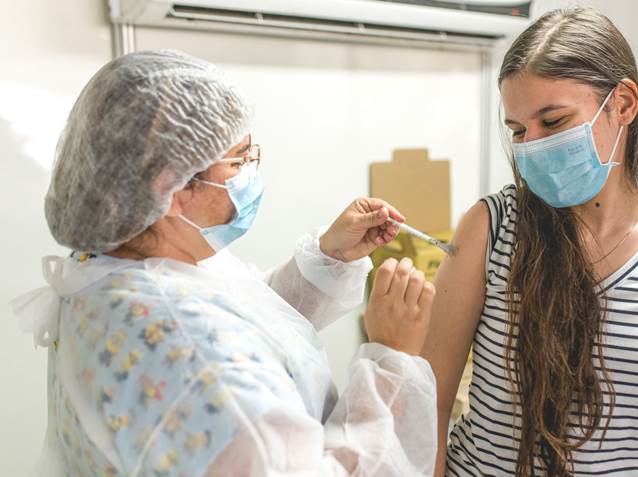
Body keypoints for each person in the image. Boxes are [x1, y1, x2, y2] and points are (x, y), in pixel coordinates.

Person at [12, 49, 437, 476]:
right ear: (171, 186)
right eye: (238, 160)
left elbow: (250, 325)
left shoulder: (117, 265)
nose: (251, 172)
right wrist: (391, 362)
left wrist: (331, 257)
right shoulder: (199, 360)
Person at [422, 7, 638, 476]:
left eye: (553, 121)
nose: (531, 146)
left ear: (623, 104)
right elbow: (429, 404)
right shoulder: (491, 228)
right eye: (518, 131)